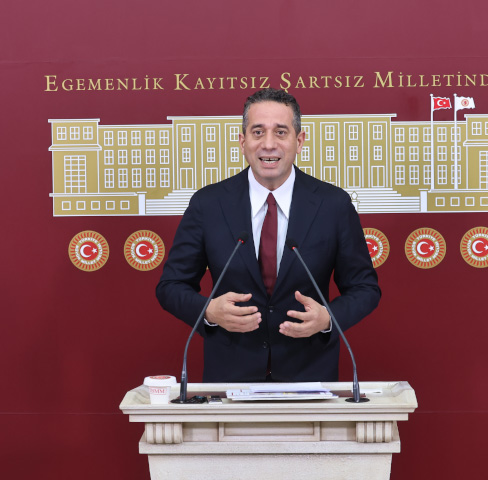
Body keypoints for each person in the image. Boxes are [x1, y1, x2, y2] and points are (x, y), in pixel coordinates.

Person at [155, 89, 380, 383]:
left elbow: (365, 288)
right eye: (258, 132)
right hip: (231, 378)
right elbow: (171, 286)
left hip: (309, 378)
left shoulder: (333, 204)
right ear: (243, 141)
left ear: (299, 141)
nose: (269, 144)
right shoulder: (208, 204)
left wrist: (328, 319)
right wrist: (208, 311)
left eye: (281, 132)